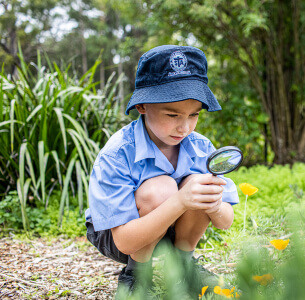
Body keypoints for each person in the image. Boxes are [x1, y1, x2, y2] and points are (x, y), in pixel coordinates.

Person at [84, 45, 239, 294]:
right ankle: (136, 277)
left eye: (194, 115)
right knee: (161, 188)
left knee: (198, 182)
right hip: (119, 234)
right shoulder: (118, 153)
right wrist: (180, 200)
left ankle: (183, 266)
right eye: (172, 114)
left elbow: (225, 222)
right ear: (142, 107)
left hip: (173, 230)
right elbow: (124, 241)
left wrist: (212, 203)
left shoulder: (201, 147)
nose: (184, 127)